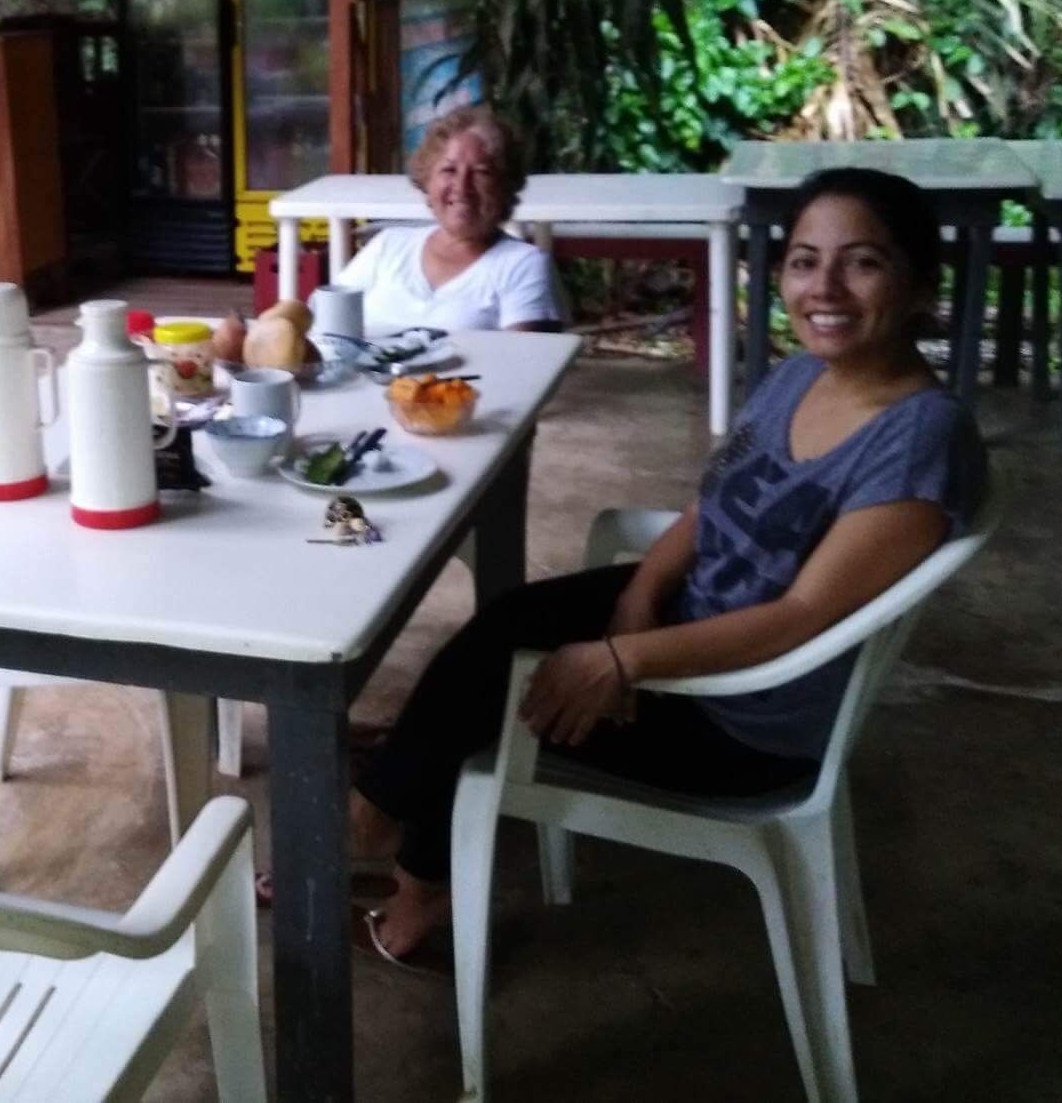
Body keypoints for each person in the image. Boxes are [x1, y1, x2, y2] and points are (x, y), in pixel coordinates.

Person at [342, 166, 989, 962]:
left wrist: (621, 658)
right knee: (495, 632)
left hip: (740, 718)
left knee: (480, 699)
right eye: (804, 260)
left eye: (863, 262)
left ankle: (407, 876)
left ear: (921, 284)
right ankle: (381, 812)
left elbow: (800, 618)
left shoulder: (920, 439)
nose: (826, 287)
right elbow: (704, 511)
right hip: (692, 622)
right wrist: (639, 597)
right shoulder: (796, 376)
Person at [334, 105, 563, 332]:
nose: (462, 187)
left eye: (481, 172)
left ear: (505, 185)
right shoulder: (389, 245)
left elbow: (526, 362)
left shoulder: (523, 264)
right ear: (427, 180)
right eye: (449, 170)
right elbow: (326, 324)